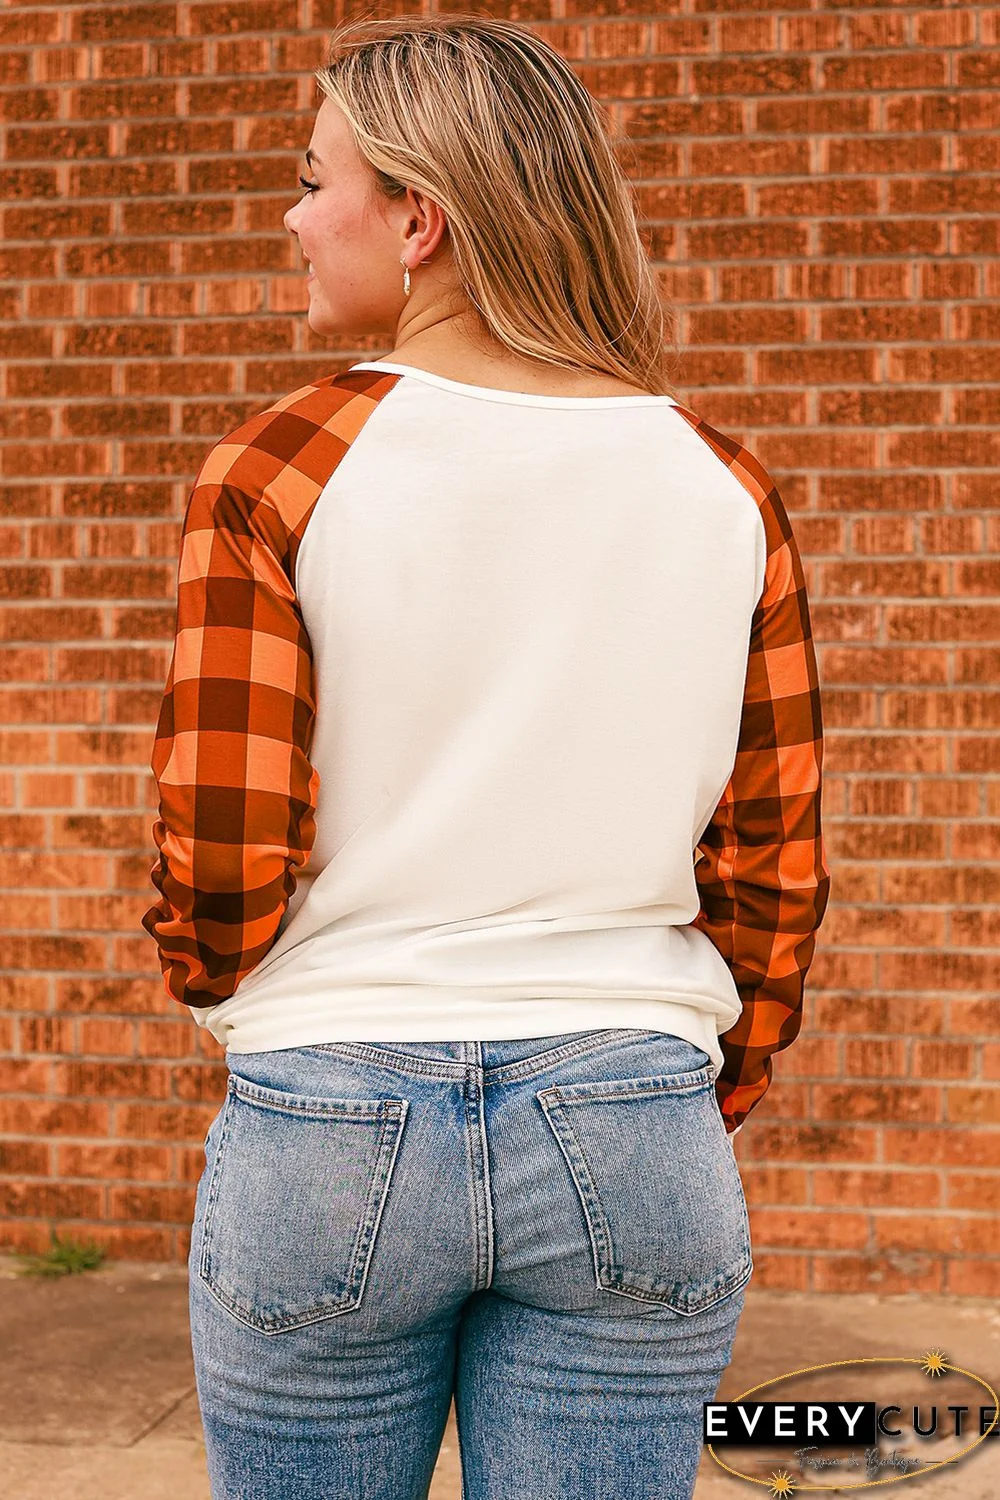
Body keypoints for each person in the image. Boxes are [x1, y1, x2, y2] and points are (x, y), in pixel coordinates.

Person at [141, 14, 832, 1500]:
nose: (293, 216)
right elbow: (772, 853)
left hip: (334, 1107)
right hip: (631, 1103)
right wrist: (706, 1063)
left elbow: (226, 845)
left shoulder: (280, 467)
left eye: (313, 179)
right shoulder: (720, 482)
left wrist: (222, 985)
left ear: (419, 221)